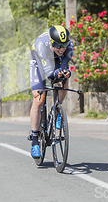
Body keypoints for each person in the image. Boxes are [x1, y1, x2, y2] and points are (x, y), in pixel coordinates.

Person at [29, 25, 74, 158]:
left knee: (63, 80)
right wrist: (55, 73)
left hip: (55, 60)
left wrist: (65, 73)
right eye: (58, 45)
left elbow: (64, 64)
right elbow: (49, 73)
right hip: (39, 60)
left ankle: (57, 109)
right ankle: (35, 140)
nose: (62, 48)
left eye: (64, 45)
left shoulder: (69, 47)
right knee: (38, 99)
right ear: (51, 43)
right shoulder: (42, 45)